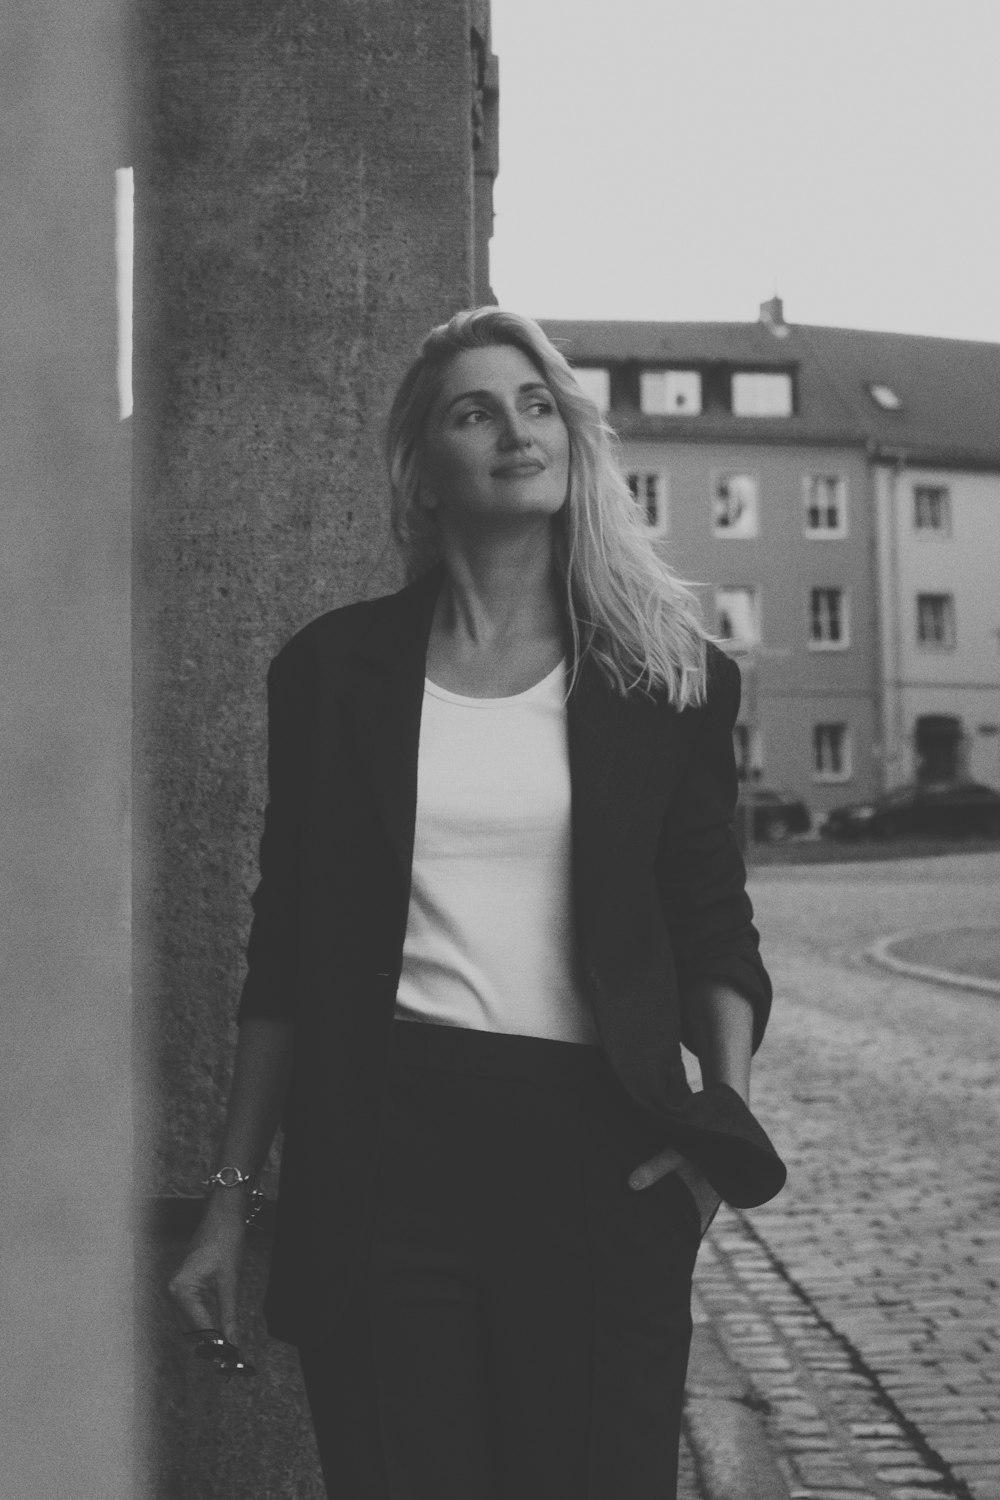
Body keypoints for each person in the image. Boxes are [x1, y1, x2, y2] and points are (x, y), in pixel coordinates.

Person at [168, 307, 786, 1499]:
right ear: (420, 469)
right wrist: (227, 1205)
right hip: (388, 1150)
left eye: (537, 402)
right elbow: (285, 951)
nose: (516, 429)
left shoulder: (665, 675)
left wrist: (716, 1133)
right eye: (475, 410)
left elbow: (712, 923)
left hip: (599, 1149)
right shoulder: (330, 673)